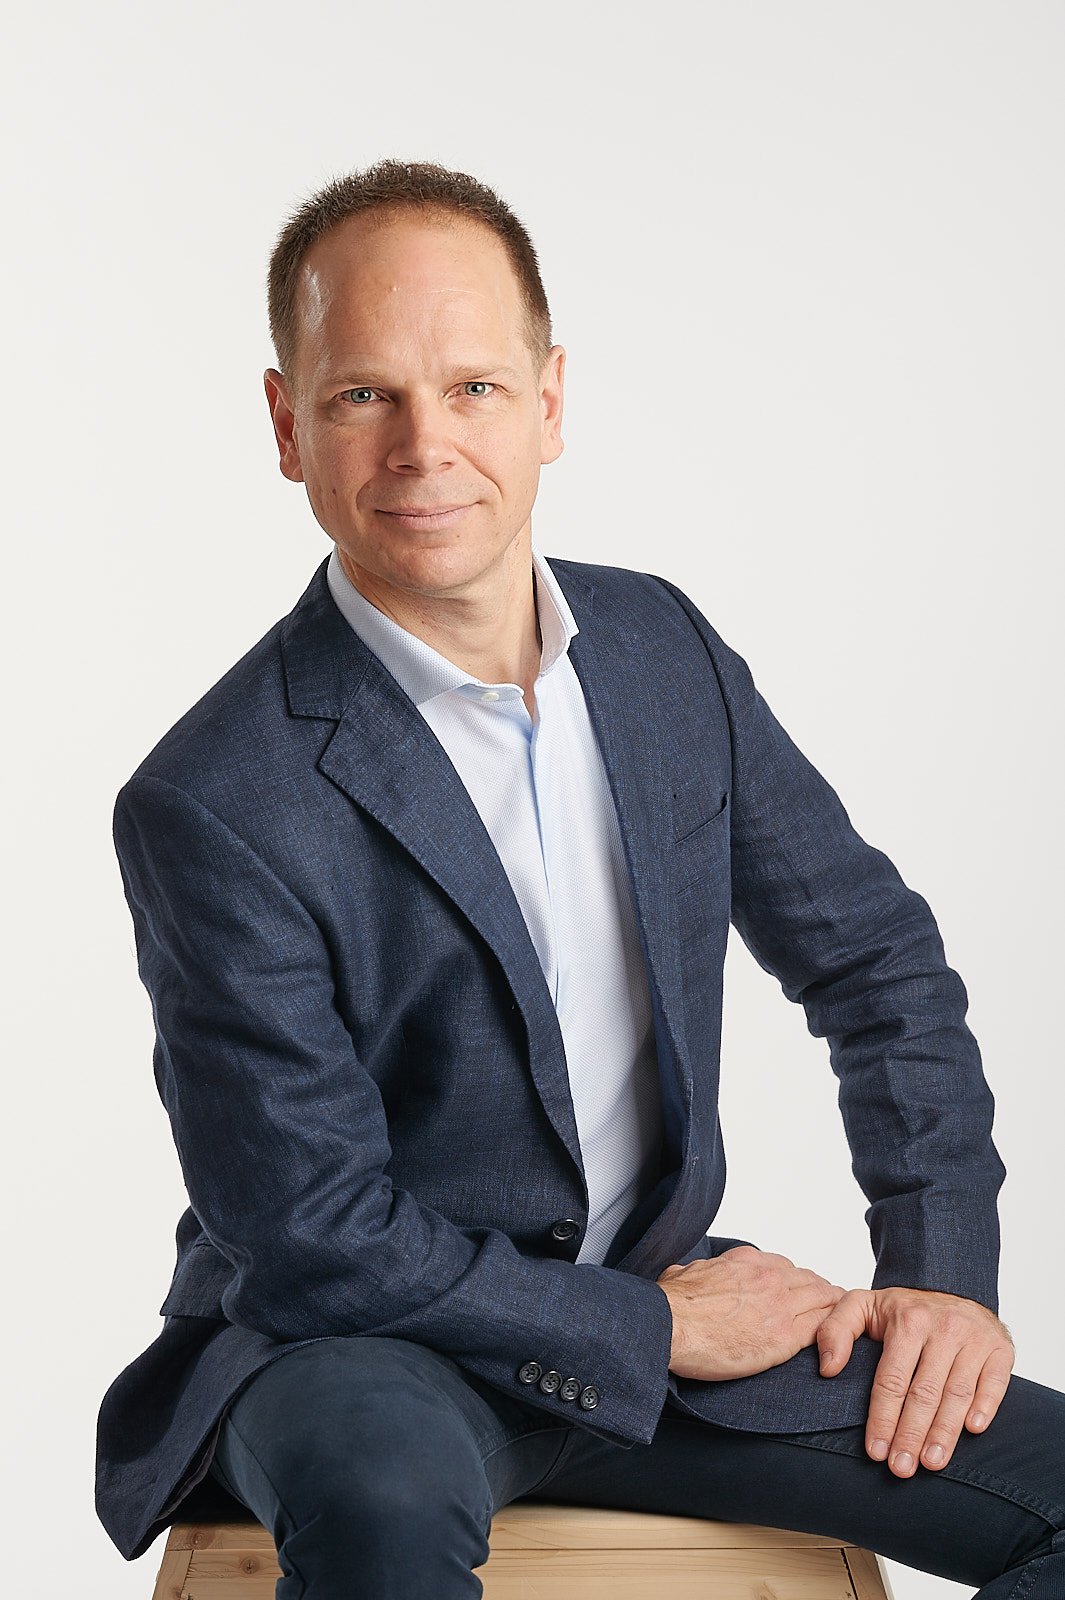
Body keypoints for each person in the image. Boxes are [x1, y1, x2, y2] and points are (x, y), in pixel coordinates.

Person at [95, 159, 1064, 1596]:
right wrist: (656, 1330)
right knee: (378, 1500)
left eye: (474, 387)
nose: (424, 445)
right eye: (364, 395)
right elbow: (311, 1236)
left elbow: (876, 966)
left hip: (662, 1321)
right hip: (364, 1349)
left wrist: (935, 1276)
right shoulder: (214, 798)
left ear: (550, 402)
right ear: (289, 426)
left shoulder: (661, 652)